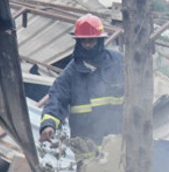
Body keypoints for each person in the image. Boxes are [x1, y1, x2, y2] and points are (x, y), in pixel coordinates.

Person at [39, 14, 124, 144]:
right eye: (83, 41)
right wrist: (49, 125)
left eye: (91, 41)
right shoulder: (71, 73)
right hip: (86, 146)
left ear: (100, 41)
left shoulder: (119, 62)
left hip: (119, 142)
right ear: (78, 42)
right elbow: (57, 99)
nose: (88, 45)